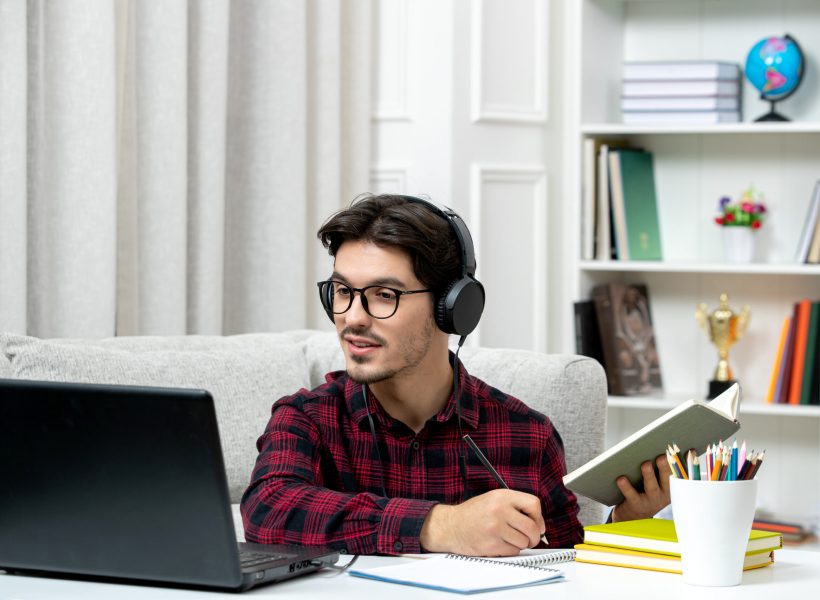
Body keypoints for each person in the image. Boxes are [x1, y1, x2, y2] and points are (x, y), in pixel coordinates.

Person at [240, 194, 670, 557]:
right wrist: (441, 525)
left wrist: (624, 524)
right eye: (343, 292)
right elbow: (268, 511)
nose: (351, 318)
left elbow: (565, 565)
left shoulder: (527, 435)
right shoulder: (306, 419)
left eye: (383, 295)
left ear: (453, 306)